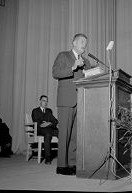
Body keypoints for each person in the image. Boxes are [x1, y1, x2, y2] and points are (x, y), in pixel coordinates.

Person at [52, 33, 91, 175]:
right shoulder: (63, 56)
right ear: (74, 43)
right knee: (64, 133)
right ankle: (62, 166)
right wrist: (73, 67)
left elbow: (88, 79)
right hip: (66, 100)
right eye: (81, 42)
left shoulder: (86, 61)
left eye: (85, 43)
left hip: (80, 100)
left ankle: (72, 163)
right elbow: (55, 73)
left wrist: (91, 74)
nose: (84, 45)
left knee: (75, 135)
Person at [31, 95, 59, 165]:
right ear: (40, 101)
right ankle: (48, 158)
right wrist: (44, 124)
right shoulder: (35, 110)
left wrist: (49, 123)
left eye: (46, 101)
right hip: (40, 130)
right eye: (44, 101)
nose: (45, 103)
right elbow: (36, 121)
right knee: (48, 134)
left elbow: (55, 121)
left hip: (49, 128)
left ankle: (64, 155)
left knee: (61, 133)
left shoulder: (49, 111)